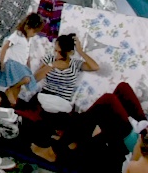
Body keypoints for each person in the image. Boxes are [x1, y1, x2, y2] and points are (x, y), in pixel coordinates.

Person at [30, 34, 100, 162]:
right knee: (44, 117)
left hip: (62, 104)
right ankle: (56, 141)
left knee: (82, 122)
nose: (56, 53)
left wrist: (80, 51)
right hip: (46, 97)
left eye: (59, 51)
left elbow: (95, 67)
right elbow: (35, 79)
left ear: (69, 52)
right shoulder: (50, 59)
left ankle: (55, 144)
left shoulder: (75, 64)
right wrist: (52, 65)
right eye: (55, 50)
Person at [0, 13, 42, 105]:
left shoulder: (28, 39)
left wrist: (28, 65)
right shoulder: (17, 35)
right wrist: (1, 62)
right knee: (26, 79)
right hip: (13, 64)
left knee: (18, 88)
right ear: (27, 27)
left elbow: (26, 53)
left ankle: (11, 106)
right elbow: (5, 47)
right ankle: (10, 90)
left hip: (21, 66)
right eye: (34, 32)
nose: (35, 34)